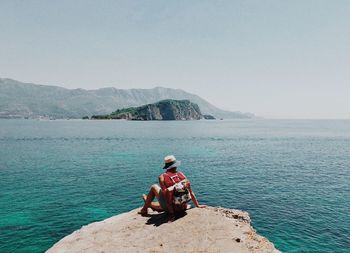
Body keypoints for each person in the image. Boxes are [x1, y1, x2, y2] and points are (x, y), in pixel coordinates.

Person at [139, 155, 206, 222]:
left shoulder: (162, 177)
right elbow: (191, 192)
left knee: (154, 187)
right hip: (183, 207)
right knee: (162, 200)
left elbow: (167, 197)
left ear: (167, 166)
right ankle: (150, 204)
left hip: (171, 209)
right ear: (175, 165)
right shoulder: (181, 174)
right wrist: (197, 205)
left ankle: (144, 209)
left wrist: (172, 215)